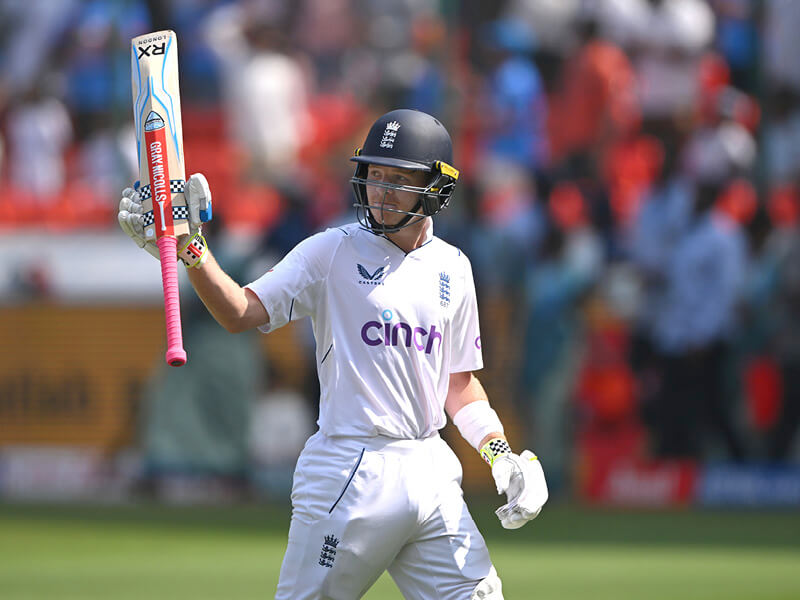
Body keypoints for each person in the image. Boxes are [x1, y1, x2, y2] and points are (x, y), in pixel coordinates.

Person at [119, 108, 548, 599]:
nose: (382, 190)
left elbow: (459, 383)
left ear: (435, 186)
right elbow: (241, 311)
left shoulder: (455, 267)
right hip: (351, 468)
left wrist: (499, 456)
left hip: (432, 468)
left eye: (399, 178)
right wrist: (190, 250)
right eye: (375, 174)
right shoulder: (331, 250)